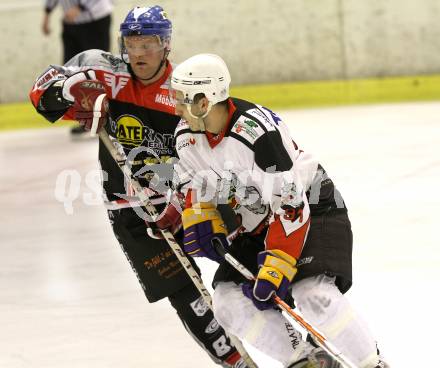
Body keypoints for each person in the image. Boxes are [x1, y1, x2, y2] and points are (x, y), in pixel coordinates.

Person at [30, 7, 249, 368]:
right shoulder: (101, 69)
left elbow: (219, 149)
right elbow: (41, 92)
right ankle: (235, 361)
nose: (139, 53)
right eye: (132, 43)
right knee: (187, 296)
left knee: (243, 269)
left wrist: (188, 200)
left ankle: (294, 349)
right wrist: (72, 92)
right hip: (132, 208)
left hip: (196, 199)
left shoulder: (185, 88)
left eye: (148, 43)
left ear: (166, 45)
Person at [170, 53, 389, 368]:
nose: (176, 107)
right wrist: (201, 217)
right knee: (229, 303)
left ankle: (372, 363)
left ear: (205, 102)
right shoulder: (186, 138)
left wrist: (277, 265)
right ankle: (306, 362)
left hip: (313, 207)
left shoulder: (258, 135)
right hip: (259, 222)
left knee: (313, 294)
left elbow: (291, 206)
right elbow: (195, 186)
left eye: (183, 99)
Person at [42, 0, 113, 138]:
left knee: (98, 70)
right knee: (72, 72)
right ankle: (87, 120)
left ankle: (108, 120)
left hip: (95, 20)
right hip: (71, 23)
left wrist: (80, 6)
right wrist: (47, 14)